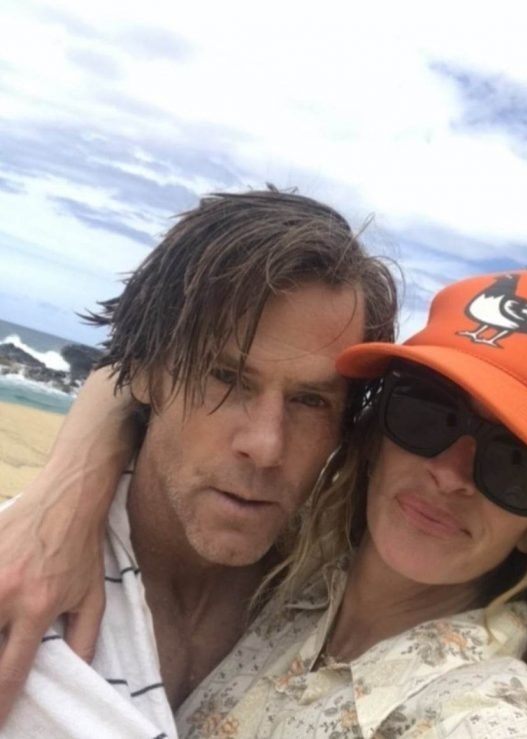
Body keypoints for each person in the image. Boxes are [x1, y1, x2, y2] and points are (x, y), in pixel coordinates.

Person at [172, 270, 527, 739]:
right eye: (428, 412)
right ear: (376, 432)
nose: (449, 474)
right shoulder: (279, 579)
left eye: (515, 462)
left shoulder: (487, 719)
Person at [0, 188, 397, 737]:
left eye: (311, 400)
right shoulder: (19, 580)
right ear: (145, 373)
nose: (266, 446)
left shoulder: (338, 594)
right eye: (227, 378)